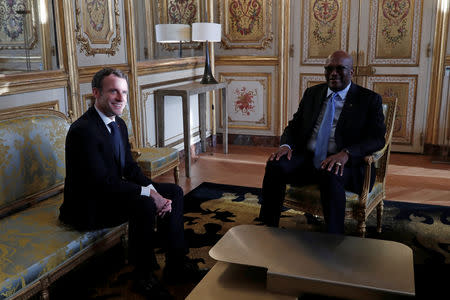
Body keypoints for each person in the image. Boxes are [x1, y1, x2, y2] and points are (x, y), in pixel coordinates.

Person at [59, 68, 202, 299]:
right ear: (96, 93)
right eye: (113, 91)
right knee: (144, 204)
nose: (120, 98)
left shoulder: (119, 124)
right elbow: (101, 183)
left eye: (124, 92)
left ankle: (176, 264)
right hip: (88, 206)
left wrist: (154, 190)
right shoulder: (83, 131)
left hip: (109, 194)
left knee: (173, 192)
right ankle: (143, 276)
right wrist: (149, 195)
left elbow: (129, 169)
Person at [259, 50, 386, 234]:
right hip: (309, 159)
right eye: (329, 69)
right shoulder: (312, 93)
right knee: (275, 164)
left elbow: (377, 139)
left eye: (340, 68)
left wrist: (347, 154)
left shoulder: (368, 100)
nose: (333, 73)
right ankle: (268, 227)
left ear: (351, 72)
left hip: (346, 165)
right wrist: (285, 146)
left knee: (331, 171)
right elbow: (294, 126)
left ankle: (334, 238)